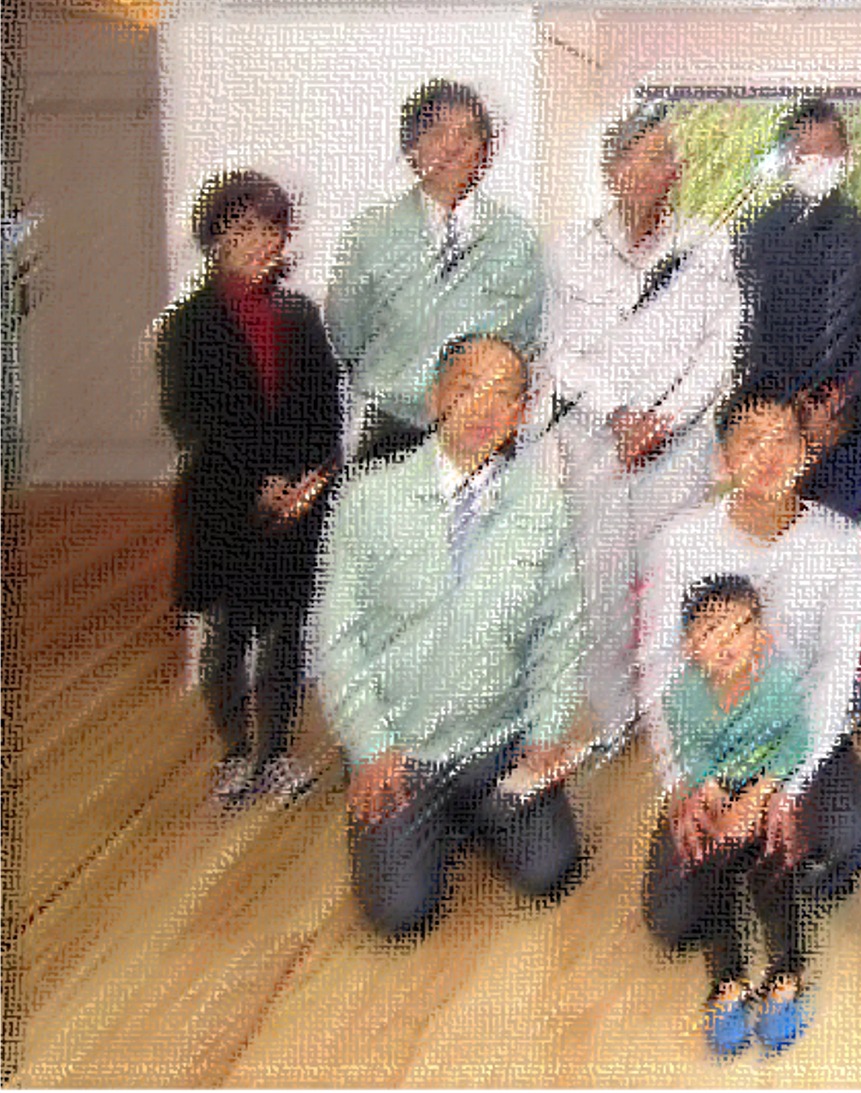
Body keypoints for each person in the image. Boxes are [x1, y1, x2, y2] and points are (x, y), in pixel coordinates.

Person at [313, 335, 586, 937]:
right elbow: (337, 640)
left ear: (521, 413)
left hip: (498, 744)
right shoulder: (368, 498)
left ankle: (469, 813)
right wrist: (370, 748)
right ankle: (433, 819)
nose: (484, 406)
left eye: (503, 394)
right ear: (435, 397)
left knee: (552, 871)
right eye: (467, 387)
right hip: (402, 750)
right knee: (401, 916)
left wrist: (546, 734)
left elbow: (561, 632)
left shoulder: (543, 505)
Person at [639, 389, 861, 1046]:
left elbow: (835, 675)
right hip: (711, 748)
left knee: (855, 837)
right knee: (674, 922)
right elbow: (658, 669)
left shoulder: (839, 543)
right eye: (749, 439)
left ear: (807, 451)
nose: (767, 455)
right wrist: (685, 783)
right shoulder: (680, 542)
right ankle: (749, 870)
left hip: (795, 741)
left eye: (783, 439)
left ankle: (775, 901)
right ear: (722, 456)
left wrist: (782, 789)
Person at [543, 102, 741, 743]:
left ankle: (668, 713)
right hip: (596, 440)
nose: (655, 168)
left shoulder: (705, 246)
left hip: (676, 448)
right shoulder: (572, 249)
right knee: (600, 586)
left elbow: (720, 347)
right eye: (640, 155)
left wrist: (667, 418)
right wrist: (618, 415)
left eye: (664, 156)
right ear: (612, 168)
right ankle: (613, 715)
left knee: (675, 582)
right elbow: (557, 351)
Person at [157, 170, 341, 806]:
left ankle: (277, 754)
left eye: (272, 228)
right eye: (244, 228)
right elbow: (191, 420)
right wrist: (257, 484)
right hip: (224, 504)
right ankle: (236, 756)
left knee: (286, 638)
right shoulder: (188, 325)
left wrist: (305, 481)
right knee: (227, 637)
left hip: (296, 507)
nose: (261, 241)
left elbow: (324, 411)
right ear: (215, 238)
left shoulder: (300, 315)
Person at [326, 79, 545, 465]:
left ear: (485, 151)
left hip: (484, 429)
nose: (452, 146)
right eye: (438, 132)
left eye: (467, 135)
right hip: (393, 429)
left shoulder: (515, 239)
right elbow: (346, 334)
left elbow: (524, 338)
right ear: (412, 147)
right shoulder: (369, 234)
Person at [644, 575, 813, 1056]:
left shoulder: (778, 683)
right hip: (719, 792)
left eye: (739, 628)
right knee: (706, 868)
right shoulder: (683, 695)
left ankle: (788, 972)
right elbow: (689, 747)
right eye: (710, 630)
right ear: (688, 646)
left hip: (766, 790)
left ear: (762, 636)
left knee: (777, 866)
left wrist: (762, 792)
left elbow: (796, 740)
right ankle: (727, 980)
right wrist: (709, 788)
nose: (726, 642)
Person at [732, 98, 861, 523]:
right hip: (772, 428)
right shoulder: (756, 235)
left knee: (836, 540)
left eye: (827, 149)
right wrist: (789, 409)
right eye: (804, 150)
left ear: (845, 155)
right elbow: (750, 331)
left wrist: (836, 406)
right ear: (787, 157)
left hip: (847, 430)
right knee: (769, 539)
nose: (816, 161)